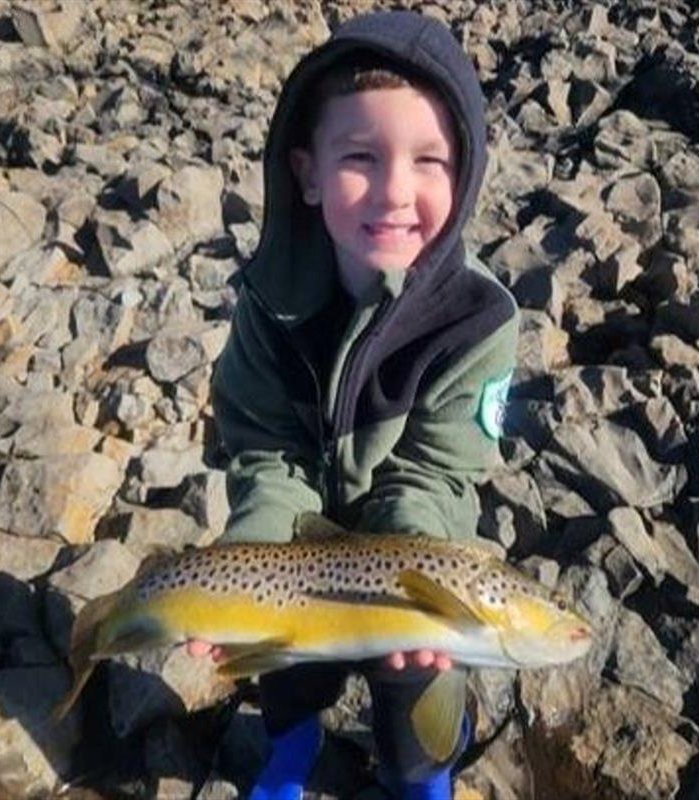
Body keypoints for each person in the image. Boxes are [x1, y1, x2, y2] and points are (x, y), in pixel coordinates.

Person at [191, 10, 519, 800]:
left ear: (466, 174)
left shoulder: (481, 324)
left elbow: (436, 475)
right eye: (361, 158)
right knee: (282, 641)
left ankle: (424, 771)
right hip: (296, 546)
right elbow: (265, 449)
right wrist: (252, 557)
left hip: (418, 548)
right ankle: (293, 746)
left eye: (429, 160)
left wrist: (410, 577)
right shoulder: (269, 304)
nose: (396, 192)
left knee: (419, 678)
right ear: (305, 173)